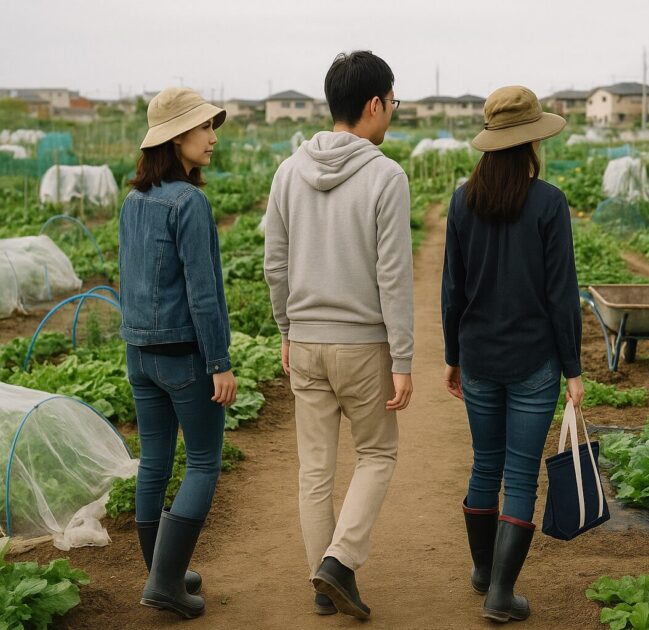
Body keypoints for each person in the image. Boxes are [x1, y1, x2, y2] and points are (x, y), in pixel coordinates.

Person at [264, 50, 414, 621]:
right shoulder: (385, 175)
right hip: (363, 344)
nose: (393, 111)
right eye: (393, 101)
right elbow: (393, 275)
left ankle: (320, 585)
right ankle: (339, 562)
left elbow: (274, 265)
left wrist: (287, 327)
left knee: (314, 468)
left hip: (304, 341)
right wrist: (402, 357)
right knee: (378, 452)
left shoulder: (287, 171)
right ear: (374, 105)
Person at [441, 85, 584, 623]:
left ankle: (483, 571)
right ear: (531, 143)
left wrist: (453, 354)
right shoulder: (548, 202)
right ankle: (501, 593)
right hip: (535, 363)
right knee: (521, 476)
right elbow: (561, 294)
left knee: (485, 464)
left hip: (479, 357)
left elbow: (452, 289)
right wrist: (573, 369)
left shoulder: (463, 199)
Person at [119, 87, 237, 619]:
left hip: (140, 353)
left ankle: (160, 573)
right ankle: (165, 583)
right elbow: (204, 292)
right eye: (203, 128)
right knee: (205, 463)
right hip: (186, 356)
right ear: (175, 137)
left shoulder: (133, 200)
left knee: (156, 462)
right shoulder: (189, 202)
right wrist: (220, 362)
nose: (213, 137)